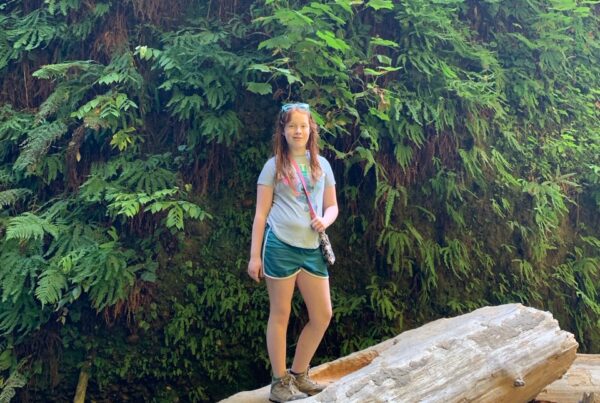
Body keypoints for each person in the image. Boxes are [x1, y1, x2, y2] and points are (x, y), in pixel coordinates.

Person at [247, 102, 338, 402]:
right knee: (281, 314)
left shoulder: (322, 164)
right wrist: (254, 256)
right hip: (280, 246)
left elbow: (332, 205)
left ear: (311, 129)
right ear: (283, 131)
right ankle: (278, 382)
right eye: (291, 126)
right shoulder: (273, 166)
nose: (298, 131)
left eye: (303, 125)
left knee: (323, 314)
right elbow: (261, 214)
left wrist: (325, 219)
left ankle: (299, 374)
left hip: (312, 248)